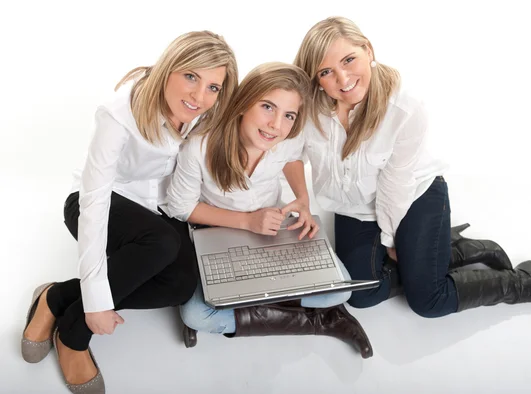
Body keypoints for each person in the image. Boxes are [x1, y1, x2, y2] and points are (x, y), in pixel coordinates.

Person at [293, 17, 531, 322]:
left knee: (428, 300)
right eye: (326, 72)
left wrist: (392, 240)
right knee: (361, 294)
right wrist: (301, 200)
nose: (343, 79)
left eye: (349, 60)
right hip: (355, 207)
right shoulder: (312, 107)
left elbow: (394, 186)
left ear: (368, 50)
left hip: (413, 196)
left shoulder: (404, 108)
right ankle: (458, 252)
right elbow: (290, 153)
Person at [21, 31, 238, 393]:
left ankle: (56, 297)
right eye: (191, 77)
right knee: (162, 242)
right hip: (95, 202)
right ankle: (74, 335)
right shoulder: (119, 113)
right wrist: (95, 304)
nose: (200, 97)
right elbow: (94, 202)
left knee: (181, 284)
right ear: (169, 68)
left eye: (213, 87)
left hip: (155, 212)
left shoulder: (203, 113)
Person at [167, 62, 373, 358]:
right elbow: (181, 207)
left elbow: (292, 159)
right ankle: (319, 322)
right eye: (267, 107)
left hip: (270, 229)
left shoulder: (286, 138)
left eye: (288, 115)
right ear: (242, 104)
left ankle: (238, 309)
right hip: (217, 234)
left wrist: (302, 199)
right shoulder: (199, 147)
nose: (276, 124)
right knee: (195, 316)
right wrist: (247, 221)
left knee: (341, 291)